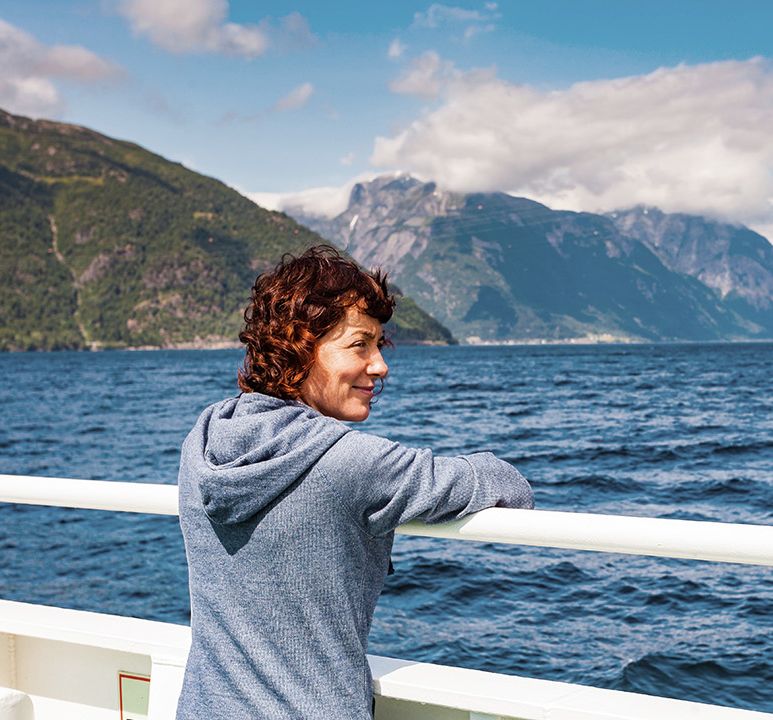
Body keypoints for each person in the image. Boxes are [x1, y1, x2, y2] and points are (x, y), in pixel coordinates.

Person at [175, 245, 534, 720]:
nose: (380, 366)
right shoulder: (350, 462)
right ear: (300, 345)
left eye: (379, 345)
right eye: (359, 344)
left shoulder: (202, 440)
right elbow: (507, 483)